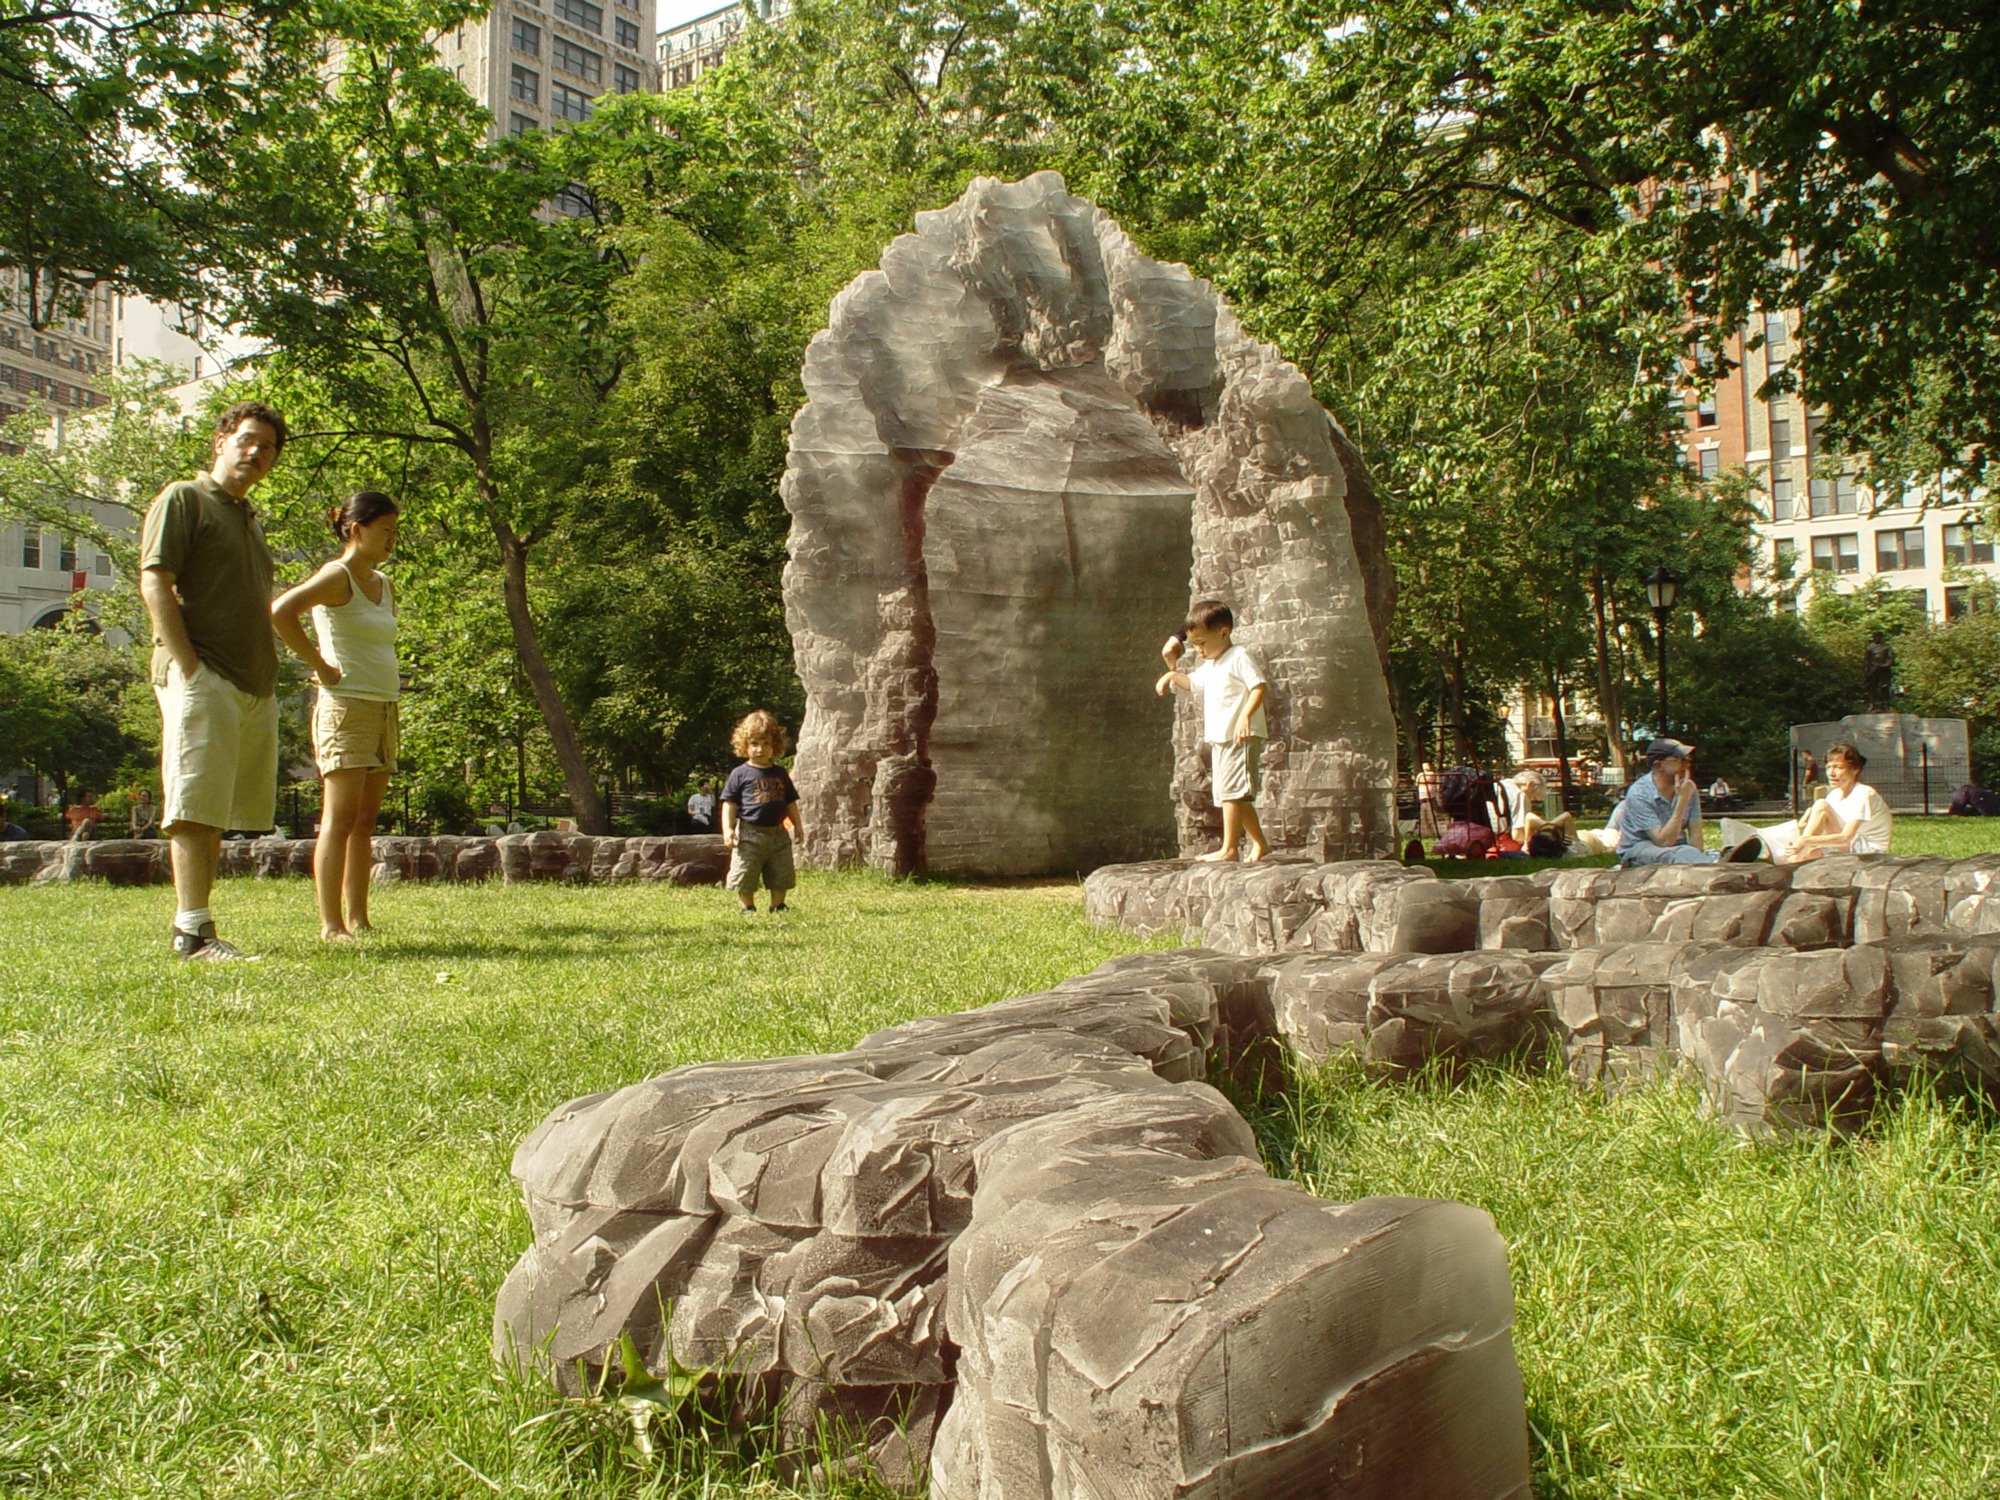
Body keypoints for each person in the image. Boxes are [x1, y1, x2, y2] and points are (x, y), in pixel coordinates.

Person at [138, 401, 286, 961]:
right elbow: (155, 582)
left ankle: (200, 926)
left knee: (216, 810)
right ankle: (190, 932)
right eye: (247, 439)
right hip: (203, 674)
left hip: (248, 682)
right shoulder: (185, 497)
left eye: (267, 447)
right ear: (221, 439)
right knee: (194, 804)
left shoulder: (246, 516)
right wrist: (190, 670)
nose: (256, 453)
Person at [271, 490, 402, 941]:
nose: (391, 540)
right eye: (385, 530)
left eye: (394, 531)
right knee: (339, 818)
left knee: (365, 820)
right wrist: (320, 665)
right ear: (356, 529)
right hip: (345, 707)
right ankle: (331, 924)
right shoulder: (336, 576)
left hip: (384, 707)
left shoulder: (383, 584)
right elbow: (282, 612)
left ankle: (359, 918)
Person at [1156, 599, 1269, 862]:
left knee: (1232, 792)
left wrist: (1245, 717)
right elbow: (1192, 683)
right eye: (1193, 645)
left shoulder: (1238, 657)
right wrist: (1171, 676)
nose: (1198, 651)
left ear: (1223, 633)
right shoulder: (1212, 664)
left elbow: (1259, 686)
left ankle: (1229, 848)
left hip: (1241, 735)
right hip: (1222, 736)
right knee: (1233, 793)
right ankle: (1259, 843)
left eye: (1202, 644)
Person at [720, 710, 802, 915]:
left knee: (781, 870)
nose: (760, 749)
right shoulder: (740, 774)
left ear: (775, 745)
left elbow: (790, 802)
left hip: (778, 834)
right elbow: (729, 804)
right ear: (744, 745)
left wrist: (798, 825)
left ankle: (778, 904)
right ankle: (747, 906)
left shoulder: (780, 773)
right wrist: (728, 830)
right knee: (745, 870)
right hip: (750, 833)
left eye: (766, 743)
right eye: (754, 744)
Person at [1757, 741, 1892, 863]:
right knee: (1804, 853)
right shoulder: (1834, 795)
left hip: (1869, 851)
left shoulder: (1864, 793)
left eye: (1838, 767)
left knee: (1820, 806)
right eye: (1828, 767)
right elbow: (1822, 830)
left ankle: (1780, 855)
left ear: (1856, 770)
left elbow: (1846, 838)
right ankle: (1771, 849)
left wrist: (1804, 840)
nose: (1831, 773)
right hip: (1849, 845)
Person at [1616, 738, 1719, 866]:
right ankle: (1716, 865)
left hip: (1678, 847)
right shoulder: (1639, 793)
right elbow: (1663, 842)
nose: (1686, 765)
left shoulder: (1688, 787)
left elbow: (1695, 834)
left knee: (1687, 852)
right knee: (1677, 853)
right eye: (1679, 760)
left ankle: (1713, 861)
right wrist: (1682, 801)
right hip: (1640, 848)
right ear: (1659, 765)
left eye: (1687, 759)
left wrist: (1697, 854)